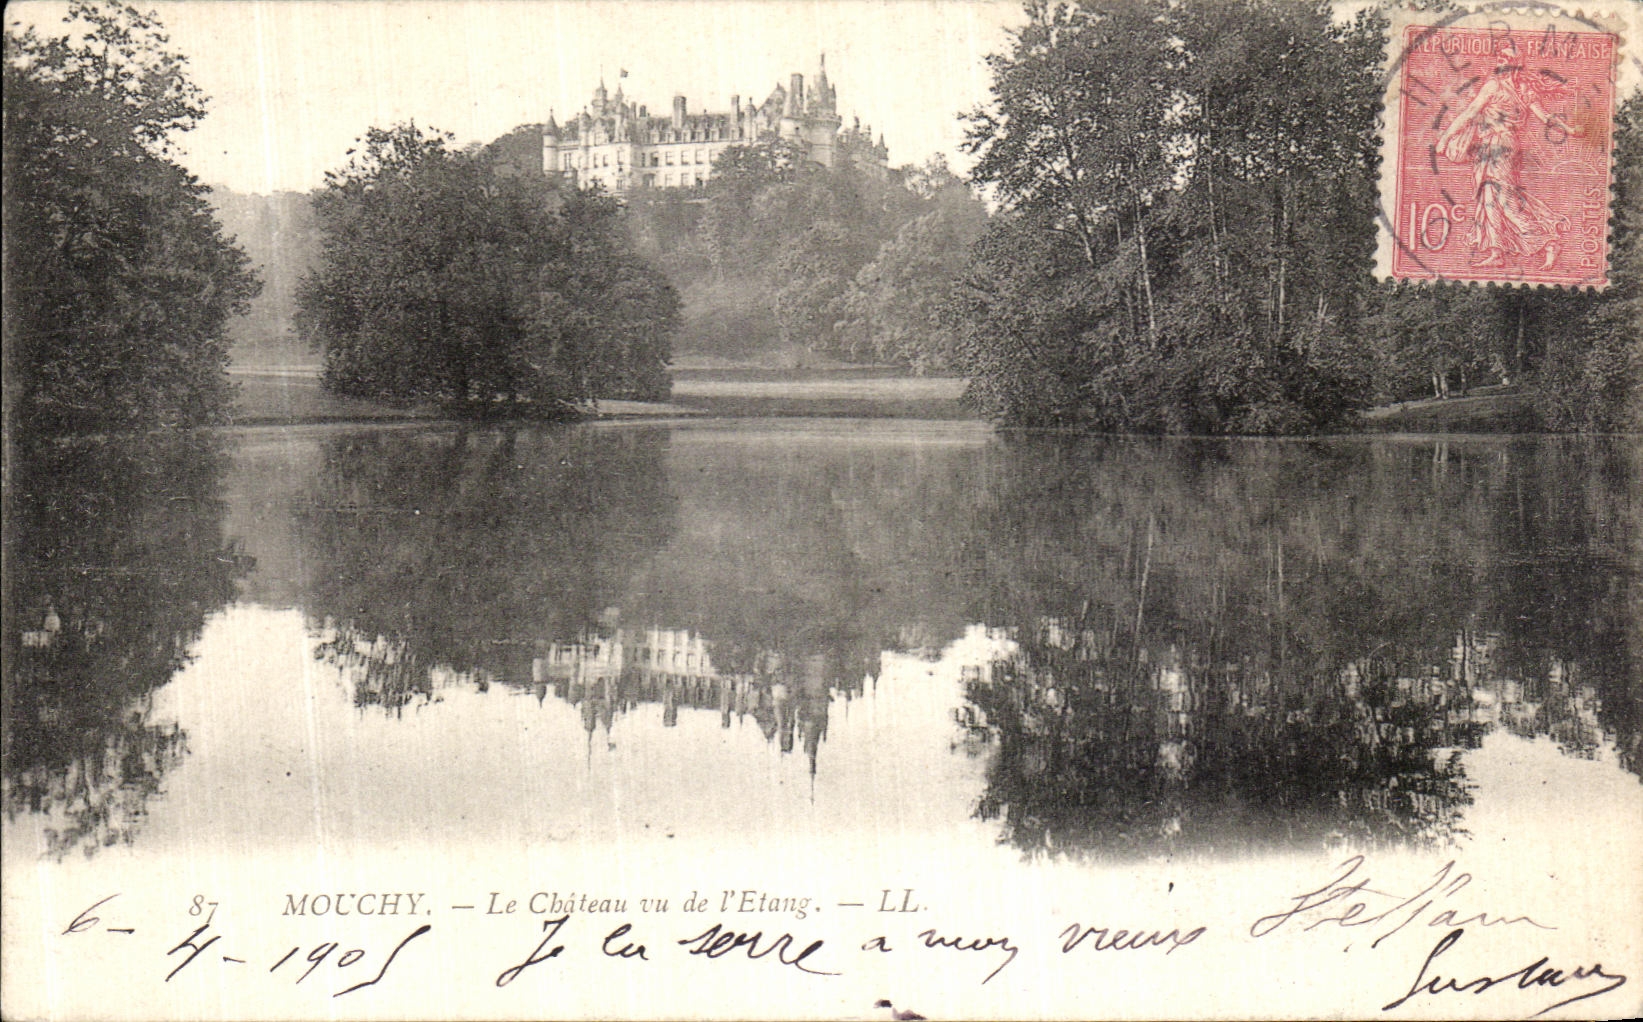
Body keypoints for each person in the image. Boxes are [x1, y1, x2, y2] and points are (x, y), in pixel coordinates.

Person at [1435, 36, 1582, 270]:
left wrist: (1445, 138)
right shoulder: (1519, 88)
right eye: (1500, 56)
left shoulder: (1497, 86)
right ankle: (1496, 251)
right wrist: (1569, 129)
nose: (1501, 61)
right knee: (1489, 198)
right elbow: (1544, 116)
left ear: (1515, 62)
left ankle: (1548, 242)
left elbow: (1470, 114)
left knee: (1504, 199)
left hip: (1498, 146)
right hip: (1494, 146)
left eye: (1506, 57)